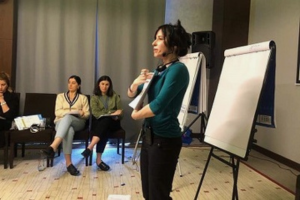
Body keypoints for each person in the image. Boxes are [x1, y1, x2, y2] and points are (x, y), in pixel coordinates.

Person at [127, 20, 191, 200]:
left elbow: (158, 104)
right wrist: (135, 83)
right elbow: (134, 93)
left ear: (174, 45)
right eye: (155, 38)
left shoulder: (178, 70)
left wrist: (135, 115)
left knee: (158, 194)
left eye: (159, 39)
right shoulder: (160, 70)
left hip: (165, 141)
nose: (153, 43)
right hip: (150, 137)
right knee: (149, 192)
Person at [42, 75, 90, 176]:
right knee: (69, 130)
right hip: (60, 122)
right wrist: (76, 111)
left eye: (73, 83)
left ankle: (53, 146)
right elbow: (57, 113)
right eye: (69, 82)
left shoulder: (83, 98)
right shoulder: (60, 96)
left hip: (78, 122)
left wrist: (77, 113)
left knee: (68, 118)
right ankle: (69, 164)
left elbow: (87, 115)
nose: (70, 85)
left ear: (79, 85)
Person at [81, 75, 123, 171]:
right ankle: (99, 160)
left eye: (107, 84)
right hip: (100, 122)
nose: (104, 86)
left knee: (106, 122)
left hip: (114, 122)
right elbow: (95, 113)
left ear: (110, 86)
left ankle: (90, 147)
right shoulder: (94, 97)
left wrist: (117, 115)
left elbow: (121, 111)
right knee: (104, 126)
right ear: (99, 85)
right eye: (102, 84)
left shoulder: (115, 96)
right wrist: (111, 113)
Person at [0, 72, 19, 148]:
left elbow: (9, 115)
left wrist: (1, 100)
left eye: (3, 85)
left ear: (7, 85)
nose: (0, 87)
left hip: (6, 122)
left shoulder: (12, 97)